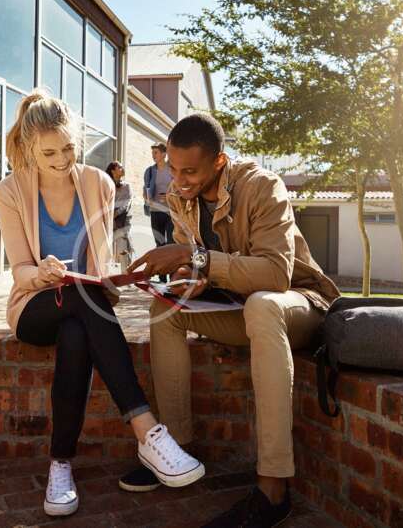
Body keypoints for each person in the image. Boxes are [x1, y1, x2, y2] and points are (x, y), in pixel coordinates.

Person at [121, 113, 340, 528]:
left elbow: (276, 274)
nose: (179, 179)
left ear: (219, 163)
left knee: (263, 304)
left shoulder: (262, 186)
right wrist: (187, 281)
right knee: (164, 313)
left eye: (190, 171)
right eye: (172, 167)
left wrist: (194, 258)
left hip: (299, 306)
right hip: (241, 309)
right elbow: (204, 268)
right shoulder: (179, 198)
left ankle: (274, 488)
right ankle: (176, 451)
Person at [0, 90, 204, 518]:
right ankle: (148, 432)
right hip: (34, 306)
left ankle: (60, 464)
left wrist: (112, 273)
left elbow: (100, 259)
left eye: (69, 147)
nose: (61, 158)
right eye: (49, 151)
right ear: (30, 148)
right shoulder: (10, 191)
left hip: (82, 306)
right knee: (76, 298)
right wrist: (43, 273)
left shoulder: (98, 183)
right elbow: (19, 270)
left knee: (76, 332)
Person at [143, 142, 174, 247]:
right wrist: (146, 198)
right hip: (155, 211)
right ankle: (162, 263)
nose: (153, 155)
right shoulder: (150, 171)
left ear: (164, 154)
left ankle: (171, 263)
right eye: (152, 153)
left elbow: (179, 188)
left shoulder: (173, 170)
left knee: (171, 242)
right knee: (159, 243)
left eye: (156, 152)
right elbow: (145, 188)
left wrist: (169, 196)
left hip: (170, 211)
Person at [105, 161, 133, 272]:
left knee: (122, 247)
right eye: (120, 167)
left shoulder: (127, 187)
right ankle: (113, 275)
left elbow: (126, 205)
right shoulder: (106, 185)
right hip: (108, 222)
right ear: (113, 170)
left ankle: (125, 273)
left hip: (122, 222)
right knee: (110, 250)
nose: (123, 169)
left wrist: (113, 214)